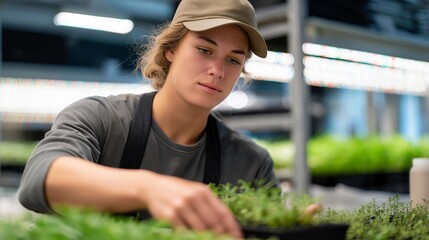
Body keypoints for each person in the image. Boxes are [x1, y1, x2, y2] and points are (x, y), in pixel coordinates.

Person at [18, 0, 277, 238]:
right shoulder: (100, 118)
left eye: (233, 59)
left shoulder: (251, 163)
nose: (218, 70)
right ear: (171, 50)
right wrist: (148, 189)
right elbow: (39, 180)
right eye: (204, 49)